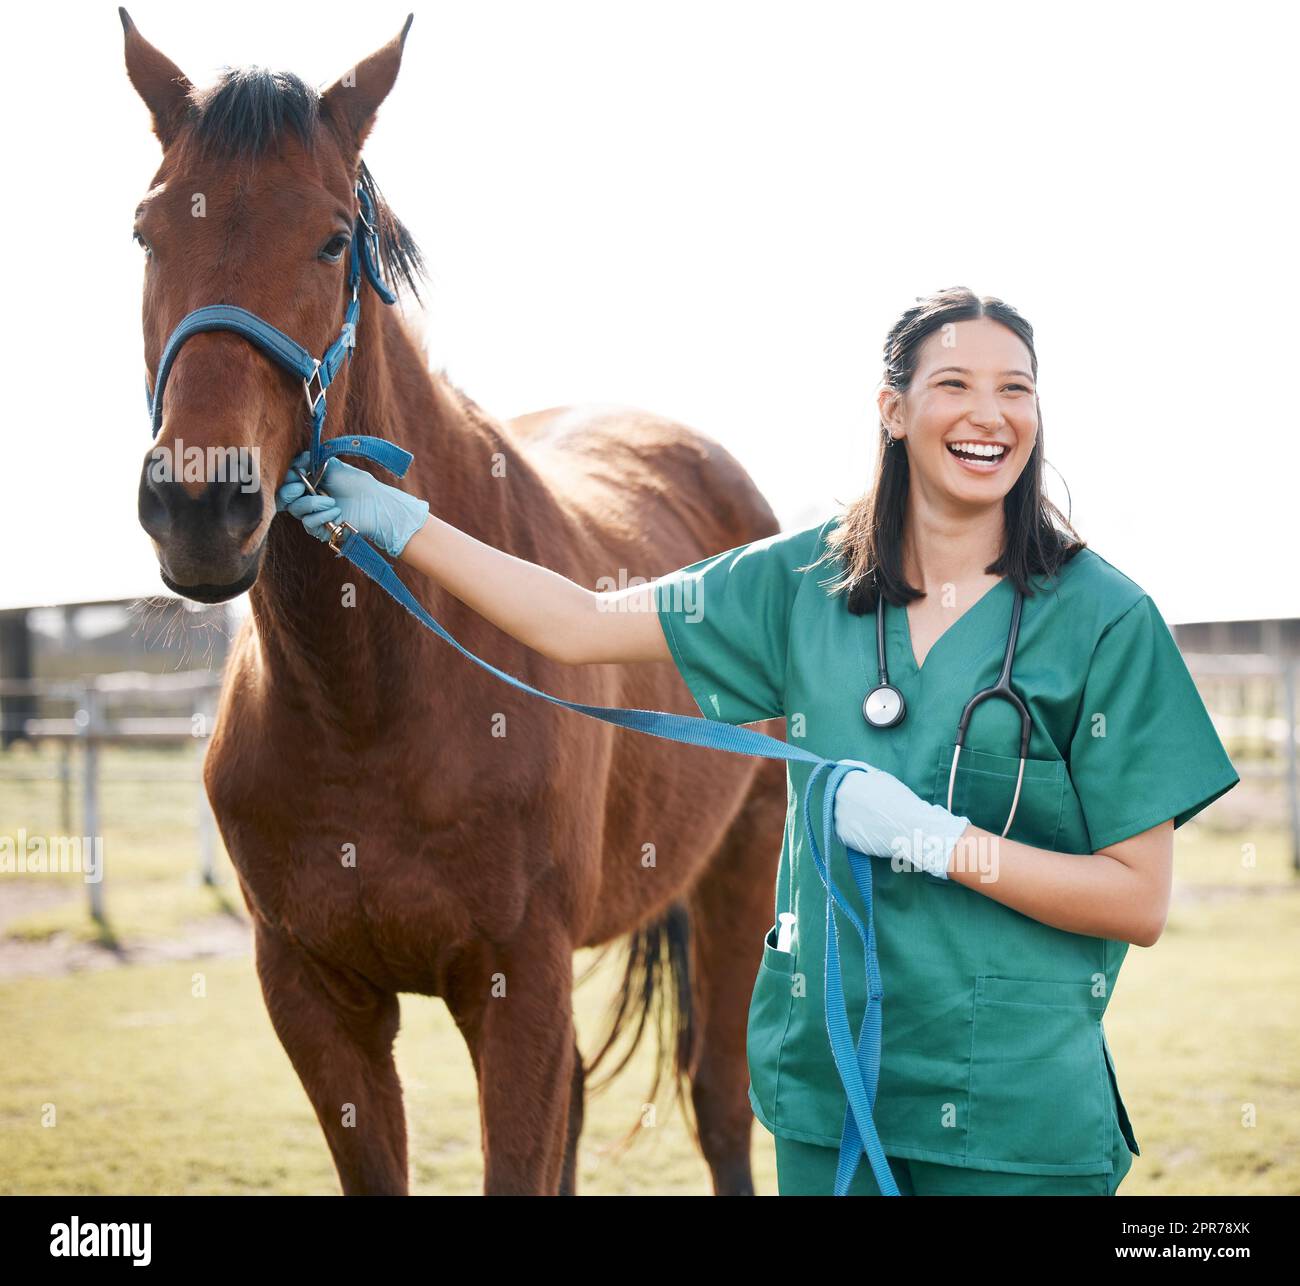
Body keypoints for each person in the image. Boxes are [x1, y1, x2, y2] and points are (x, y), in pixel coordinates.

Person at [277, 285, 1240, 1196]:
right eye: (954, 385)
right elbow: (577, 621)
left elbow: (1138, 898)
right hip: (829, 1109)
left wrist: (939, 844)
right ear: (894, 411)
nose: (989, 415)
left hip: (1017, 1126)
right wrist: (403, 525)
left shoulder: (1108, 622)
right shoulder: (796, 583)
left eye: (1016, 389)